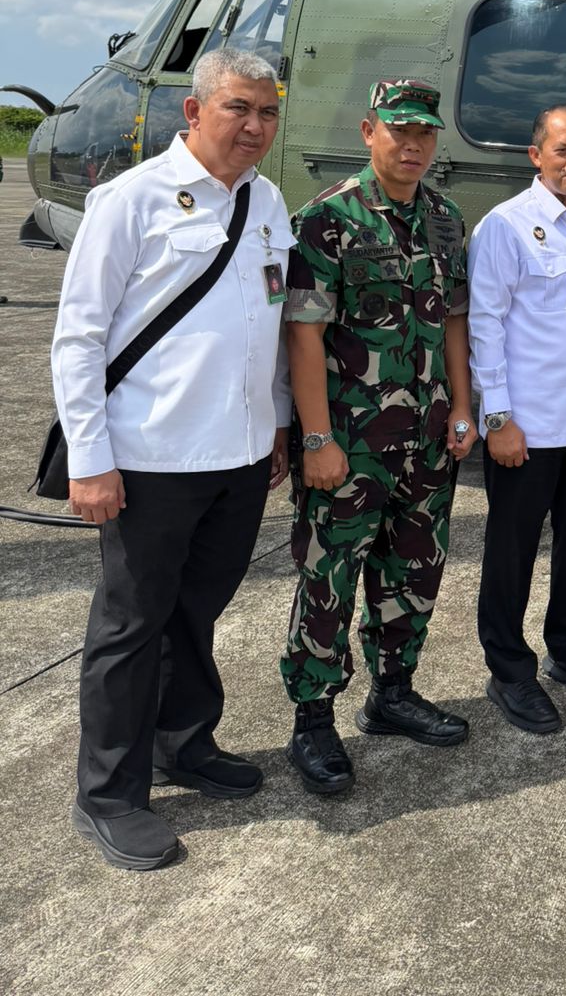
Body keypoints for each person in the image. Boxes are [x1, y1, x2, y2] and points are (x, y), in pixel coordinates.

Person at [52, 49, 293, 871]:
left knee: (197, 612)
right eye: (238, 109)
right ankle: (108, 795)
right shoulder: (130, 201)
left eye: (267, 111)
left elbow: (267, 317)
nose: (255, 127)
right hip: (150, 457)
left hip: (242, 454)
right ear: (192, 113)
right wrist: (90, 459)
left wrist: (281, 427)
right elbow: (79, 338)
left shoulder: (269, 200)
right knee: (130, 624)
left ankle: (184, 744)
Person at [281, 79, 477, 795]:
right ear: (370, 131)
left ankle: (393, 693)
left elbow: (454, 318)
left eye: (425, 133)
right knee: (328, 580)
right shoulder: (327, 219)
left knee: (414, 572)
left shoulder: (446, 220)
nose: (413, 145)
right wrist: (315, 440)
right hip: (350, 445)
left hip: (426, 441)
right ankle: (312, 720)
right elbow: (303, 336)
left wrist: (462, 407)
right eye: (399, 130)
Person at [467, 104, 566, 735]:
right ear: (536, 156)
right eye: (562, 150)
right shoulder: (505, 227)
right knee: (511, 553)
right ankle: (509, 670)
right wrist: (498, 418)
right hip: (527, 429)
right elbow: (485, 326)